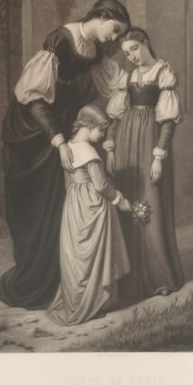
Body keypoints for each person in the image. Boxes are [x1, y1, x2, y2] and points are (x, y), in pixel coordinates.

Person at [0, 0, 130, 308]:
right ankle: (30, 278)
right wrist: (58, 140)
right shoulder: (61, 40)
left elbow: (112, 86)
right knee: (31, 207)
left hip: (60, 132)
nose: (116, 39)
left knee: (53, 206)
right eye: (115, 30)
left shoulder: (95, 54)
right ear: (102, 16)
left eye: (121, 35)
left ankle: (52, 280)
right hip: (32, 132)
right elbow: (35, 99)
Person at [105, 27, 184, 300]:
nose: (132, 56)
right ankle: (130, 278)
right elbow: (115, 117)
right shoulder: (128, 77)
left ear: (145, 43)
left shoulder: (163, 72)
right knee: (129, 201)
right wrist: (111, 149)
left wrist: (159, 156)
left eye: (134, 49)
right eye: (127, 53)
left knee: (151, 204)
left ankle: (159, 276)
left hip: (150, 144)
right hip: (127, 143)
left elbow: (168, 122)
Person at [46, 105, 135, 327]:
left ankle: (77, 301)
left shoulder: (68, 147)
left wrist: (74, 202)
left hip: (74, 205)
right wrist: (119, 200)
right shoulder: (89, 152)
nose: (103, 135)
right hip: (92, 204)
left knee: (77, 255)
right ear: (88, 126)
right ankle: (93, 303)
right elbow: (101, 185)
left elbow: (69, 181)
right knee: (93, 255)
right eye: (101, 130)